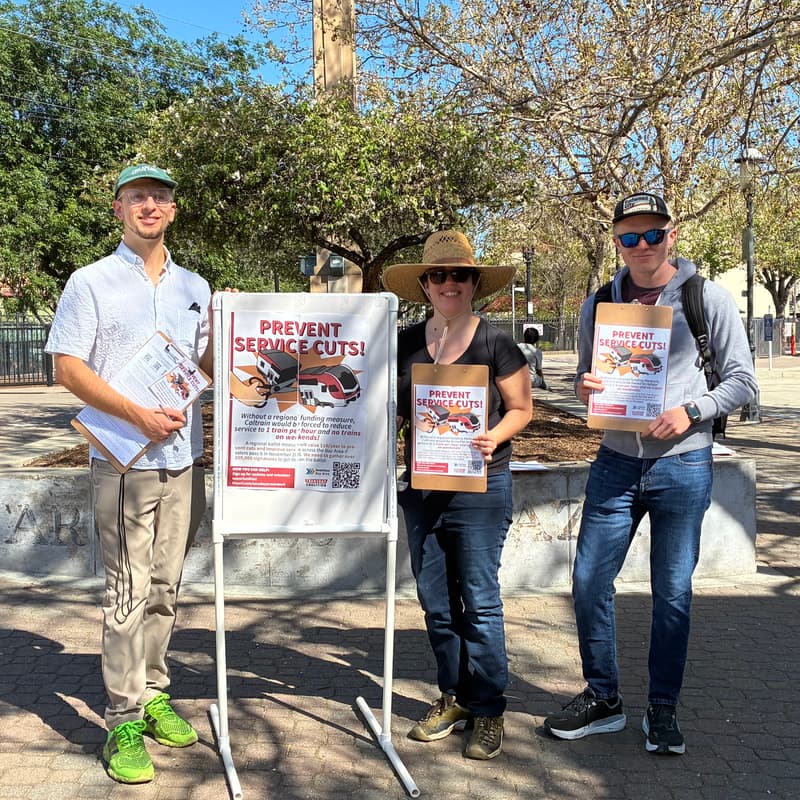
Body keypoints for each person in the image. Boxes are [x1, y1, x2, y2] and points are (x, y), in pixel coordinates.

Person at [543, 193, 757, 754]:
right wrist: (583, 386)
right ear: (617, 242)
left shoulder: (705, 297)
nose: (642, 246)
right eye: (629, 237)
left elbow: (743, 382)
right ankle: (603, 697)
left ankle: (662, 709)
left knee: (672, 593)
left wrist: (691, 411)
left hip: (683, 465)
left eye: (652, 235)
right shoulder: (600, 303)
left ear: (672, 235)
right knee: (588, 582)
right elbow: (588, 378)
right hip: (615, 462)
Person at [45, 164, 213, 784]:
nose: (150, 205)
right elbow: (67, 368)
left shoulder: (195, 287)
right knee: (127, 593)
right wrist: (135, 413)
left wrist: (237, 345)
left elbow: (203, 366)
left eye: (160, 196)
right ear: (119, 209)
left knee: (166, 590)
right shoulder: (89, 283)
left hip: (182, 460)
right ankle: (121, 719)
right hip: (123, 461)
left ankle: (155, 692)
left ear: (173, 210)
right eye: (138, 196)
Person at [382, 230, 531, 760]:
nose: (450, 283)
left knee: (481, 601)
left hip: (480, 486)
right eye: (439, 275)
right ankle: (455, 696)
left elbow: (521, 408)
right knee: (436, 604)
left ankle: (489, 708)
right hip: (423, 488)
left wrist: (494, 434)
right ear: (424, 284)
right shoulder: (404, 341)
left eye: (460, 275)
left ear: (474, 284)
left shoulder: (496, 342)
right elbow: (390, 409)